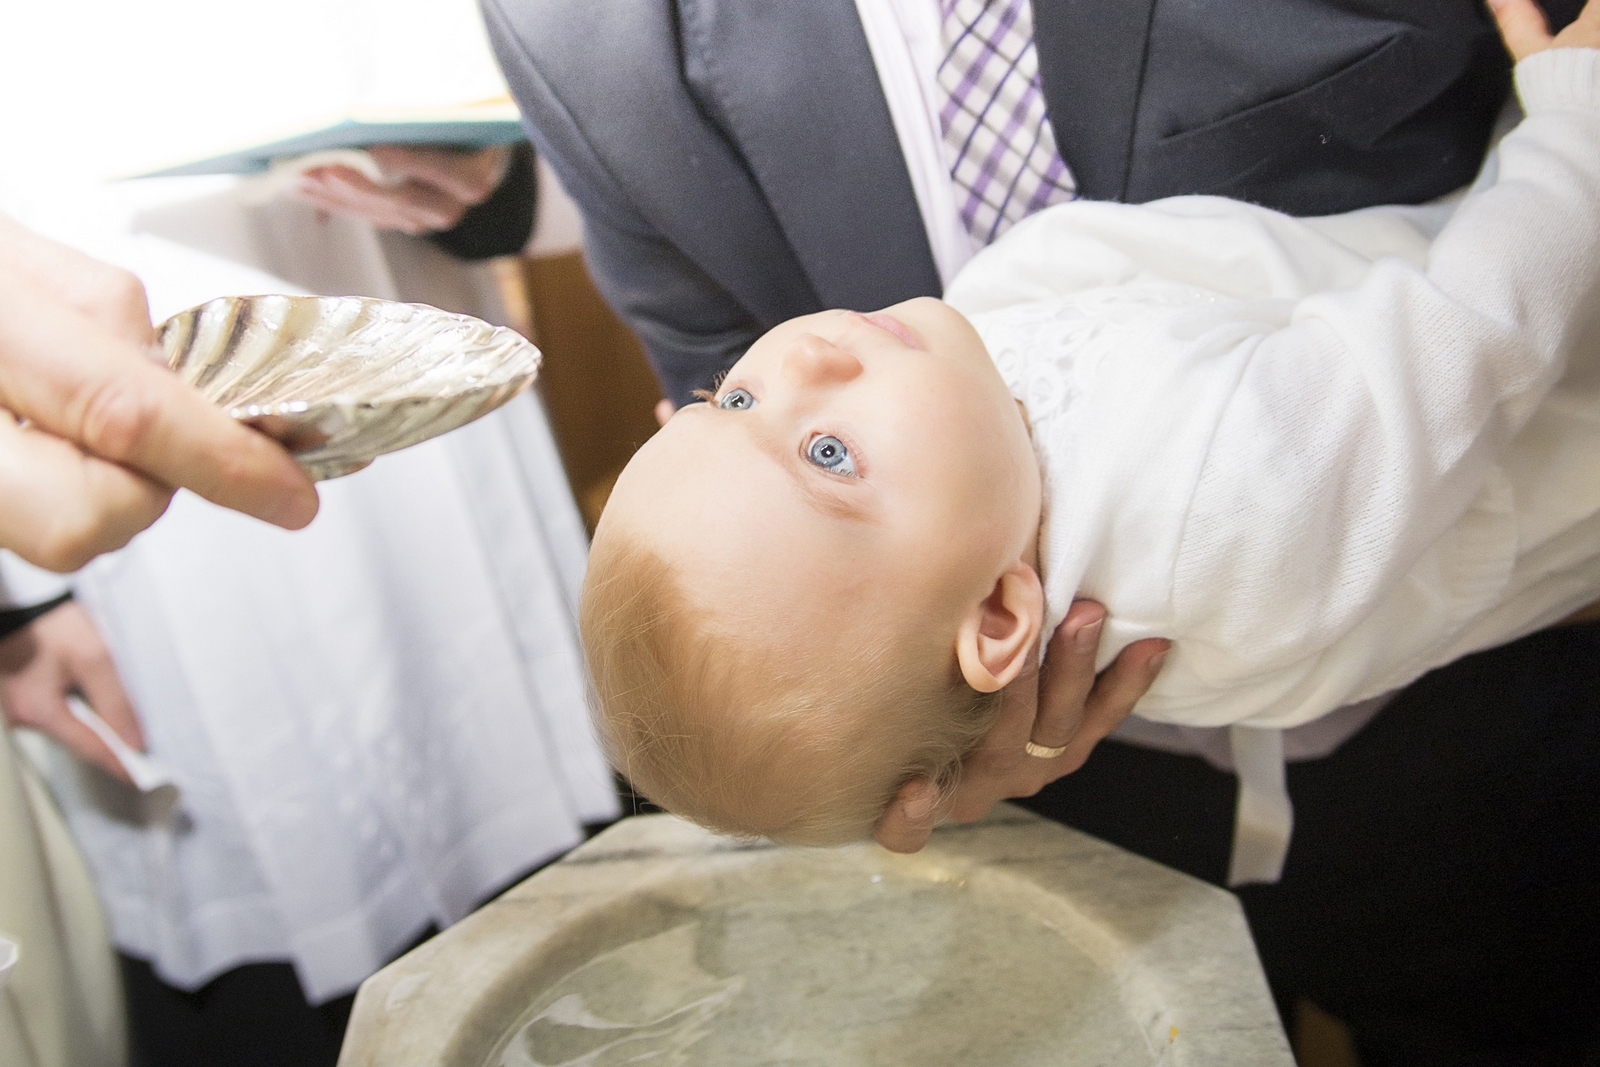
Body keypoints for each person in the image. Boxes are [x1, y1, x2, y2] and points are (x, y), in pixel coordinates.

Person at [492, 0, 1600, 1062]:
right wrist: (1577, 125)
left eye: (729, 401)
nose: (792, 359)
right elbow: (1476, 333)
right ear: (998, 613)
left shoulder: (955, 409)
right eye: (825, 453)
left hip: (1486, 752)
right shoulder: (1213, 482)